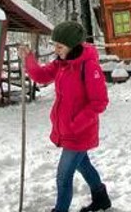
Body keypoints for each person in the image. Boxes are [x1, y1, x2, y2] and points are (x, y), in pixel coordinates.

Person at [22, 20, 112, 212]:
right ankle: (101, 199)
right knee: (83, 165)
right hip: (67, 130)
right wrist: (28, 58)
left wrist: (75, 124)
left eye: (60, 46)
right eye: (55, 45)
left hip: (79, 132)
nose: (56, 50)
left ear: (73, 46)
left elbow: (99, 102)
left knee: (63, 176)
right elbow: (41, 76)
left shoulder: (89, 67)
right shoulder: (62, 63)